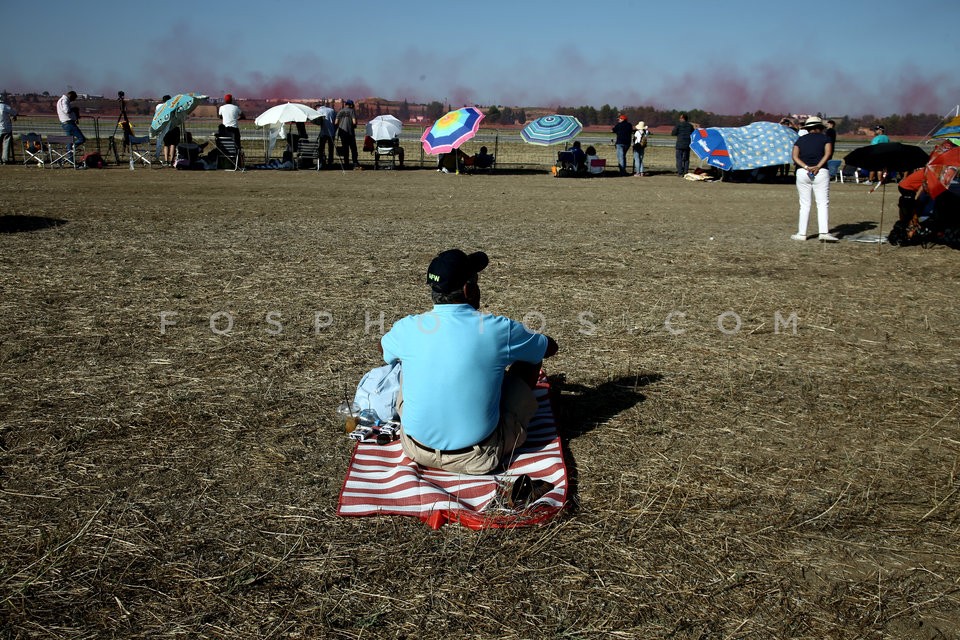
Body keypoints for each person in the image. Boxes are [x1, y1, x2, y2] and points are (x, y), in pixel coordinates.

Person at [381, 249, 559, 475]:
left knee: (407, 362)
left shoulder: (407, 328)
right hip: (478, 456)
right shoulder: (497, 329)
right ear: (468, 289)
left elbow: (383, 348)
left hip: (416, 448)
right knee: (531, 359)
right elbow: (549, 348)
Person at [790, 116, 838, 242]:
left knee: (804, 204)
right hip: (821, 172)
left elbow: (794, 156)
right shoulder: (826, 138)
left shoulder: (800, 140)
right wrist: (818, 166)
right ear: (820, 127)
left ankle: (801, 233)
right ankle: (823, 232)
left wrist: (806, 166)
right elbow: (828, 154)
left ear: (808, 128)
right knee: (822, 203)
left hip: (802, 172)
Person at [56, 91, 86, 160]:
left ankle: (70, 158)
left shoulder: (61, 100)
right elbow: (66, 110)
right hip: (69, 124)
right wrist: (74, 109)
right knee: (81, 139)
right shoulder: (64, 100)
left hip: (65, 123)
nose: (73, 100)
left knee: (69, 140)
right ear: (71, 96)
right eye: (73, 98)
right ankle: (71, 148)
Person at [156, 95, 181, 166]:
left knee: (166, 144)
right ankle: (171, 161)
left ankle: (166, 160)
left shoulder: (160, 107)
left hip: (165, 127)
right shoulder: (174, 107)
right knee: (173, 144)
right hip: (173, 127)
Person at [335, 99, 359, 169]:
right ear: (351, 105)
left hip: (342, 133)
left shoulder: (340, 111)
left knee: (345, 149)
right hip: (350, 133)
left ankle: (346, 164)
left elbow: (336, 122)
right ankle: (355, 163)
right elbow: (354, 122)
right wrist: (354, 125)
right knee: (353, 149)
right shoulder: (352, 111)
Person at [0, 95, 16, 165]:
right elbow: (14, 112)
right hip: (6, 129)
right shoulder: (5, 106)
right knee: (6, 144)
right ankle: (5, 160)